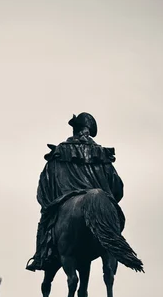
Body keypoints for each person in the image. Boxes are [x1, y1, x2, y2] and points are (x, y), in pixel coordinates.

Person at [26, 113, 124, 272]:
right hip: (102, 200)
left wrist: (49, 206)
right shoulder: (101, 154)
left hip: (65, 200)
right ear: (88, 131)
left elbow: (43, 187)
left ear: (75, 130)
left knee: (44, 221)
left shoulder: (59, 152)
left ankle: (40, 256)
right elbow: (117, 187)